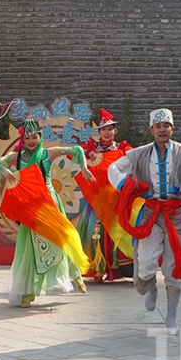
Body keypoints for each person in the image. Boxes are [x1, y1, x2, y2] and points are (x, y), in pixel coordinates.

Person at [108, 108, 181, 335]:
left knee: (173, 266)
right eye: (158, 127)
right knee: (146, 261)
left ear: (172, 129)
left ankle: (171, 316)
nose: (162, 130)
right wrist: (126, 184)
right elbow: (114, 168)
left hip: (178, 215)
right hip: (151, 213)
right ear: (151, 130)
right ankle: (150, 287)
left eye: (166, 126)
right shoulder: (139, 154)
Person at [0, 118, 95, 308]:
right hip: (30, 207)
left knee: (61, 239)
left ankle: (76, 274)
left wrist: (84, 168)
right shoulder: (16, 157)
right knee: (30, 249)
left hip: (49, 203)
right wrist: (3, 169)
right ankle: (28, 293)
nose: (31, 141)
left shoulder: (49, 153)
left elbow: (77, 150)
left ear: (40, 137)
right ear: (23, 139)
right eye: (27, 138)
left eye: (34, 137)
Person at [77, 108, 133, 282]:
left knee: (118, 230)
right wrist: (88, 154)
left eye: (110, 129)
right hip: (97, 198)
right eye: (103, 130)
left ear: (115, 131)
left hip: (115, 196)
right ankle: (98, 269)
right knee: (97, 233)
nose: (107, 133)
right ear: (99, 132)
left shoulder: (121, 147)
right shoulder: (92, 147)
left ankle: (121, 267)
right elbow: (77, 153)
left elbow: (134, 157)